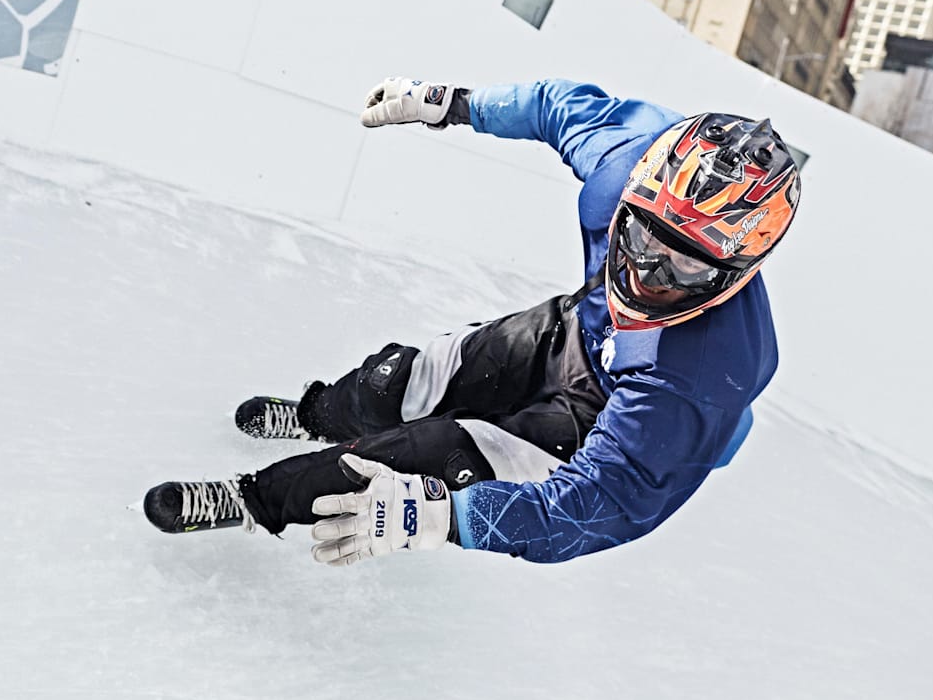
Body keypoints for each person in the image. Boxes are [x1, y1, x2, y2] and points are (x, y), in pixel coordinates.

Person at [142, 77, 801, 566]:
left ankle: (254, 499)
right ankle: (322, 414)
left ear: (737, 271)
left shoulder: (701, 375)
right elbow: (557, 105)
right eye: (641, 235)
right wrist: (454, 103)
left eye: (682, 269)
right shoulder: (624, 164)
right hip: (571, 332)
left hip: (609, 417)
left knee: (423, 458)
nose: (646, 272)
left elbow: (600, 507)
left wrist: (445, 516)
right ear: (635, 192)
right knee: (396, 382)